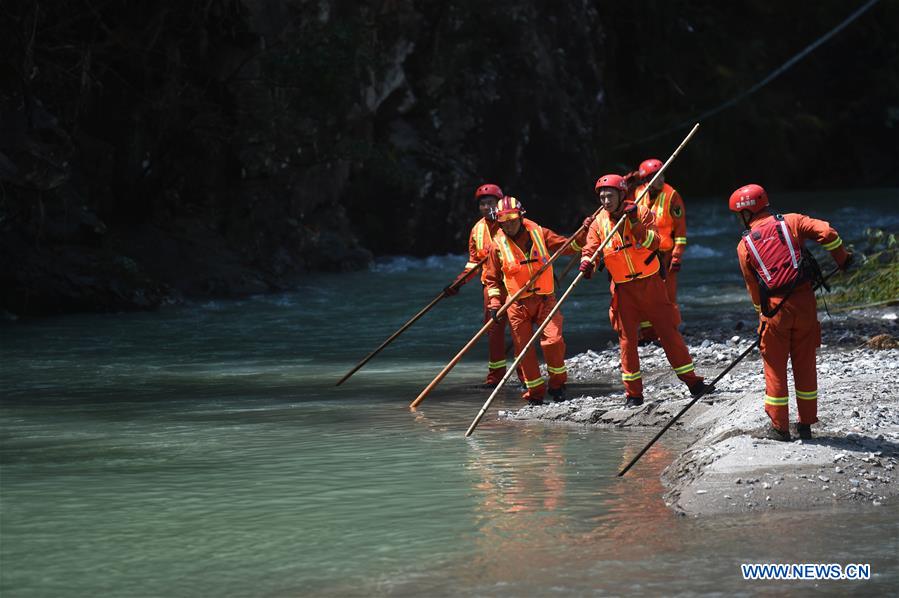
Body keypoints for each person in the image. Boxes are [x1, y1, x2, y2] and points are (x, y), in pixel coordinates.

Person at [729, 184, 852, 441]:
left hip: (775, 312)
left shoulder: (744, 246)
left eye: (738, 215)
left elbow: (753, 289)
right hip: (805, 304)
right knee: (805, 364)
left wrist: (761, 315)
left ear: (746, 213)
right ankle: (806, 424)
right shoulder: (792, 221)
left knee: (775, 368)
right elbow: (827, 232)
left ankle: (779, 428)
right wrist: (842, 259)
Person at [579, 174, 711, 407]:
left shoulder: (641, 212)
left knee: (669, 332)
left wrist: (635, 223)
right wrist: (587, 262)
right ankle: (633, 394)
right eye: (602, 197)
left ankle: (693, 383)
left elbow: (654, 242)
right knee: (627, 341)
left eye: (610, 196)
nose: (606, 201)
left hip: (651, 284)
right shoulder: (598, 222)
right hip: (622, 289)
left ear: (621, 195)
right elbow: (591, 249)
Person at [483, 196, 586, 405]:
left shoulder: (540, 233)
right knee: (524, 351)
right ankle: (535, 393)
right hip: (517, 305)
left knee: (554, 341)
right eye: (504, 221)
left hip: (545, 300)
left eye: (513, 220)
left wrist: (584, 232)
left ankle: (557, 385)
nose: (509, 225)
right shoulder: (496, 245)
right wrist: (494, 302)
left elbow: (567, 246)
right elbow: (492, 279)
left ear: (521, 217)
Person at [445, 184, 514, 385]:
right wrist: (458, 283)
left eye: (490, 203)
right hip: (491, 287)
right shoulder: (477, 230)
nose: (486, 207)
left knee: (519, 330)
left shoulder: (511, 222)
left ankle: (525, 375)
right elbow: (473, 263)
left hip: (515, 284)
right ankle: (495, 377)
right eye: (483, 204)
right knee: (493, 331)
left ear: (499, 204)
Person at [632, 158, 688, 343]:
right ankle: (648, 333)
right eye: (657, 176)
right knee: (645, 296)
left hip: (665, 254)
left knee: (667, 295)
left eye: (663, 175)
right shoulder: (637, 193)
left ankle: (671, 332)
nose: (662, 179)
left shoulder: (672, 195)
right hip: (644, 254)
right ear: (646, 179)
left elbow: (680, 229)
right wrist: (630, 177)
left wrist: (677, 255)